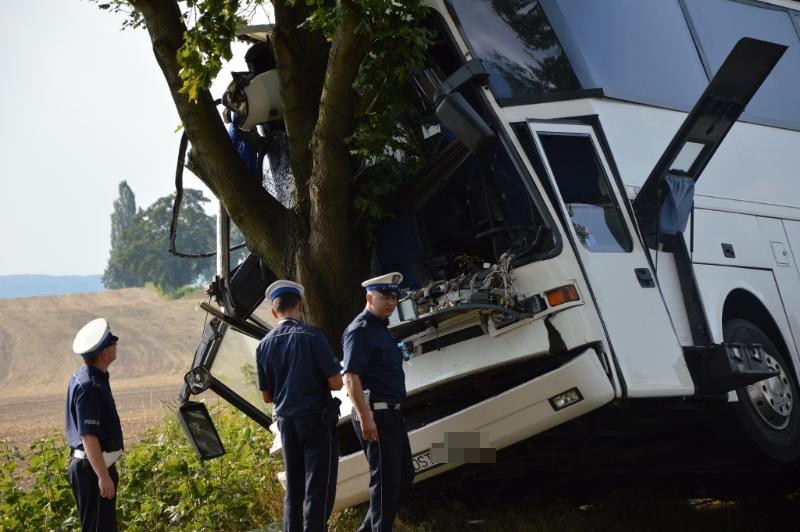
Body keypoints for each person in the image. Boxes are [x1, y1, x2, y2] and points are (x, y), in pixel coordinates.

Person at [256, 280, 343, 532]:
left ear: (274, 312)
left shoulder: (263, 346)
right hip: (316, 420)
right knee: (317, 488)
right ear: (301, 306)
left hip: (286, 422)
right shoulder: (313, 336)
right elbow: (336, 383)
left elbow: (266, 396)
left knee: (293, 491)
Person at [342, 272, 414, 532]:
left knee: (403, 477)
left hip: (392, 415)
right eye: (386, 297)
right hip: (376, 416)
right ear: (369, 297)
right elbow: (351, 377)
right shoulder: (359, 330)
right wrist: (365, 418)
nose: (392, 302)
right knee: (385, 485)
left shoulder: (381, 329)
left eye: (395, 297)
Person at [65, 318, 124, 532]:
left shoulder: (88, 377)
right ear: (104, 354)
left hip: (94, 467)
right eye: (112, 343)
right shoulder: (90, 386)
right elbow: (88, 436)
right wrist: (103, 476)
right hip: (92, 470)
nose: (115, 346)